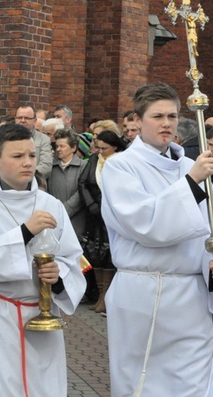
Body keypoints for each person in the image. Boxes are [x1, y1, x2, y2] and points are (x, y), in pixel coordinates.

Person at [100, 83, 213, 396]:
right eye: (157, 116)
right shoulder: (121, 167)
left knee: (197, 384)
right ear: (137, 119)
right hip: (142, 293)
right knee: (144, 384)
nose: (166, 123)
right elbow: (146, 225)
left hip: (190, 294)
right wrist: (191, 183)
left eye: (172, 115)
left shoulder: (190, 166)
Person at [0, 123, 85, 397]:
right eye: (17, 157)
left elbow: (71, 257)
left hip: (43, 313)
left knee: (46, 387)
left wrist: (58, 276)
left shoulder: (51, 204)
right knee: (3, 388)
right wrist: (25, 232)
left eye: (31, 155)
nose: (27, 163)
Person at [78, 130, 127, 313]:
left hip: (113, 215)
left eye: (104, 148)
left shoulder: (121, 161)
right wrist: (91, 204)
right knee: (95, 254)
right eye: (98, 147)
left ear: (114, 146)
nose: (100, 151)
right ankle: (100, 295)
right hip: (95, 215)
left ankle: (106, 296)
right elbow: (83, 183)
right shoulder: (93, 160)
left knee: (108, 256)